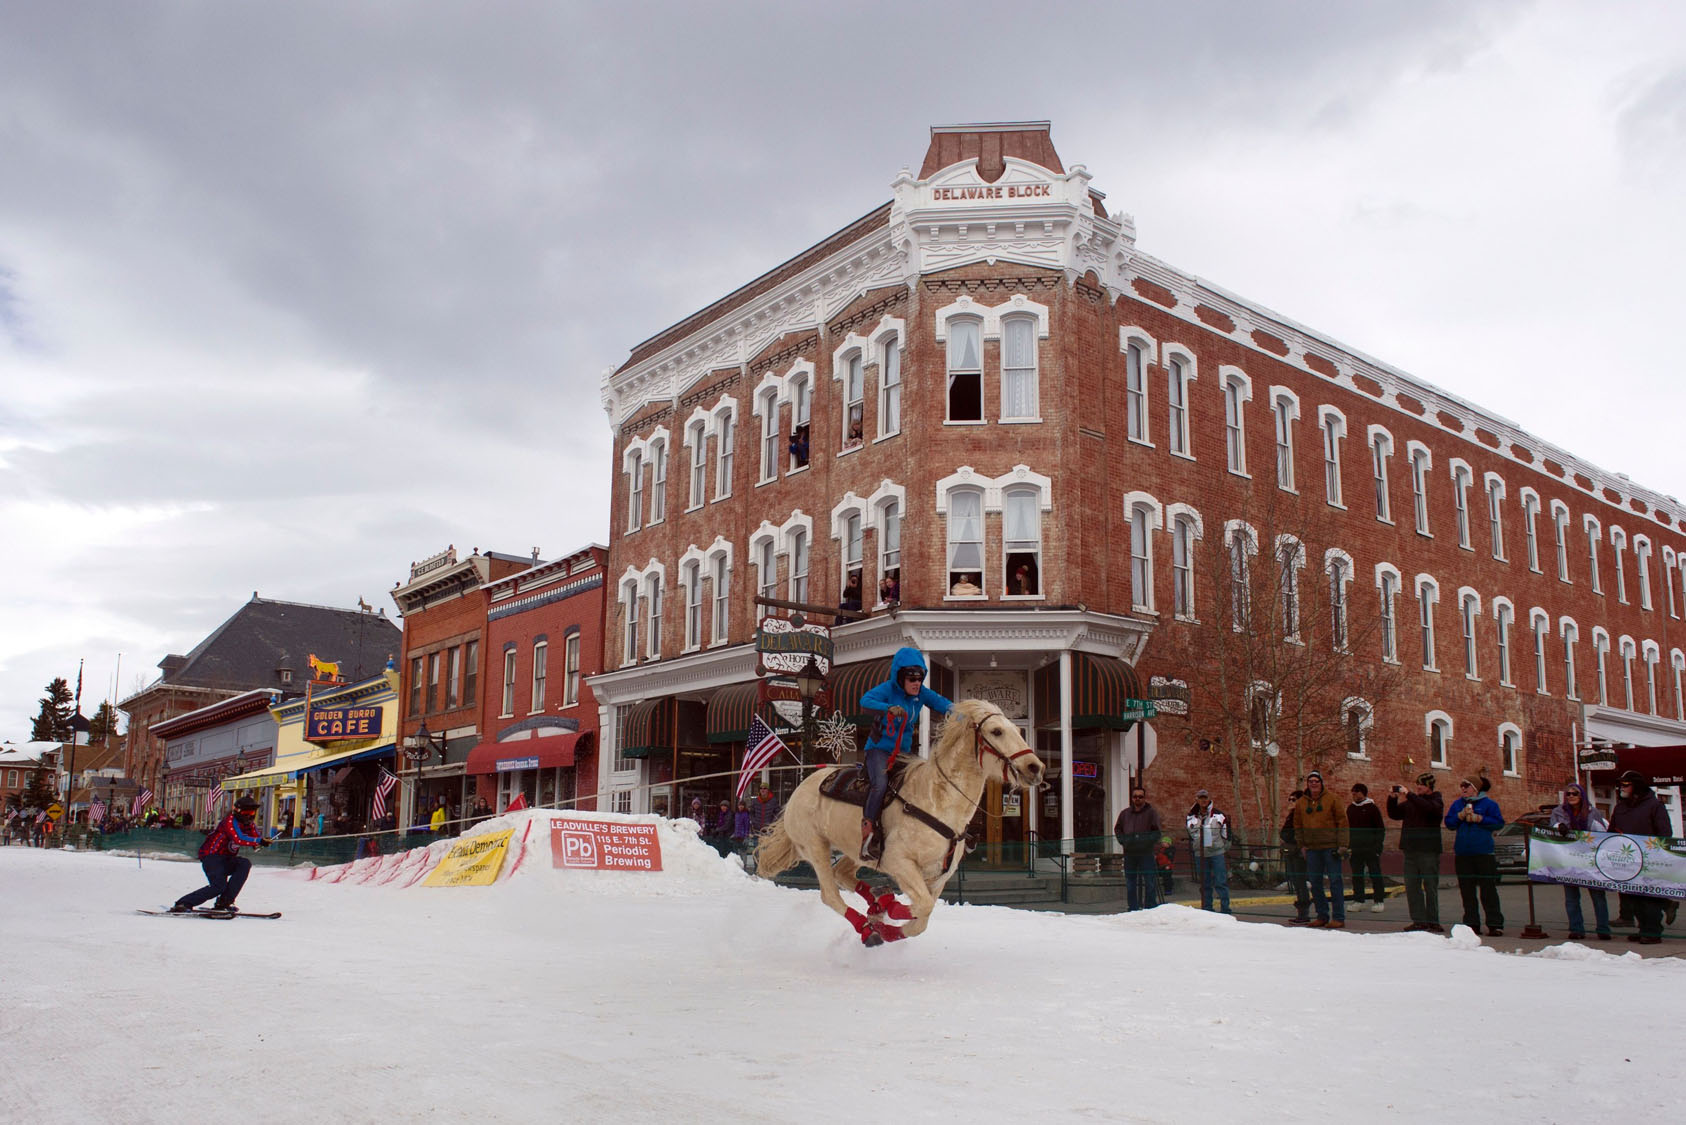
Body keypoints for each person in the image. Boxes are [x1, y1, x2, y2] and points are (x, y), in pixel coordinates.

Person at [857, 646, 953, 862]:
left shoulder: (921, 695)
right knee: (879, 785)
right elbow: (865, 701)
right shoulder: (888, 689)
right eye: (911, 678)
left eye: (919, 678)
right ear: (900, 678)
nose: (916, 683)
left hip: (904, 753)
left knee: (924, 782)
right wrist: (887, 708)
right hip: (879, 750)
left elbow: (941, 703)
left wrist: (962, 713)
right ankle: (868, 834)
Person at [170, 796, 269, 913]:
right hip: (212, 857)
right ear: (238, 811)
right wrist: (258, 841)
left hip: (227, 859)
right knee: (218, 886)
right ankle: (183, 903)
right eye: (246, 812)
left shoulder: (250, 825)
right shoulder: (230, 821)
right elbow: (239, 839)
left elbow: (255, 839)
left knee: (244, 864)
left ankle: (225, 901)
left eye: (251, 812)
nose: (249, 815)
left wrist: (262, 842)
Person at [1607, 770, 1672, 944]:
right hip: (1627, 859)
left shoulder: (1654, 805)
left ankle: (1652, 932)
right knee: (1633, 898)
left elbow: (1665, 833)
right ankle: (1644, 927)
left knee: (1649, 898)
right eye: (1620, 785)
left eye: (1626, 785)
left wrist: (1655, 851)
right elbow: (1611, 831)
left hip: (1649, 859)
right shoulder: (1620, 807)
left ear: (1636, 786)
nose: (1622, 788)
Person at [1444, 771, 1505, 936]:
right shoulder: (1458, 804)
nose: (1463, 789)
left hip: (1484, 852)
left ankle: (1494, 923)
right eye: (1461, 786)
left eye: (1467, 786)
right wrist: (1459, 816)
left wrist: (1480, 819)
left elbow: (1499, 823)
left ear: (1475, 788)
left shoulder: (1489, 804)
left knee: (1488, 889)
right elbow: (1449, 822)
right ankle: (1471, 923)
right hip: (1463, 852)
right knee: (1467, 890)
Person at [1550, 782, 1611, 941]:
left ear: (1581, 795)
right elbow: (1551, 830)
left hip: (1590, 859)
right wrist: (1559, 827)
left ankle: (1603, 929)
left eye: (1574, 793)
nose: (1571, 796)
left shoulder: (1593, 812)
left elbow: (1603, 834)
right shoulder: (1558, 812)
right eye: (1568, 794)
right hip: (1569, 859)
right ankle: (1576, 928)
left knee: (1598, 896)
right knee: (1571, 897)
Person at [1387, 772, 1445, 933]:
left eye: (1422, 785)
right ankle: (1418, 920)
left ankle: (1433, 920)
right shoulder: (1411, 803)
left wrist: (1409, 794)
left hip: (1428, 851)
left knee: (1430, 886)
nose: (1419, 787)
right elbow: (1394, 814)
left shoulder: (1436, 800)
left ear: (1429, 787)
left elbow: (1429, 810)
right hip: (1410, 850)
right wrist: (1392, 798)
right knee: (1412, 887)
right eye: (1417, 784)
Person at [1291, 770, 1348, 928]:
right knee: (1315, 883)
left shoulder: (1333, 799)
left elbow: (1342, 822)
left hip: (1330, 847)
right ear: (1307, 784)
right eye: (1311, 781)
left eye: (1316, 781)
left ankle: (1338, 917)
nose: (1314, 784)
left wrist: (1343, 844)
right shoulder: (1301, 803)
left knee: (1335, 882)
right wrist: (1302, 844)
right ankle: (1321, 915)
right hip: (1312, 849)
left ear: (1321, 783)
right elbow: (1297, 825)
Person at [1114, 786, 1162, 911]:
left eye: (1140, 797)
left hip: (1146, 853)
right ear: (1132, 798)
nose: (1138, 799)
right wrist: (1124, 841)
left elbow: (1156, 832)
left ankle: (1150, 907)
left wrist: (1147, 842)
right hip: (1130, 853)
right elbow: (1118, 828)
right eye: (1135, 796)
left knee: (1149, 881)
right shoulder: (1125, 814)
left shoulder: (1151, 813)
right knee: (1130, 882)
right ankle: (1133, 907)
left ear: (1144, 798)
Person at [1186, 788, 1231, 914]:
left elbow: (1226, 834)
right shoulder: (1191, 816)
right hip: (1200, 854)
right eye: (1201, 798)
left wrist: (1222, 847)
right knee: (1205, 884)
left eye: (1205, 798)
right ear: (1197, 800)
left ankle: (1225, 909)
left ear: (1209, 799)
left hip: (1217, 853)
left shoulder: (1219, 815)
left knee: (1221, 882)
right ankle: (1207, 910)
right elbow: (1191, 834)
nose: (1203, 800)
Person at [1346, 783, 1387, 913]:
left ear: (1363, 793)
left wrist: (1377, 846)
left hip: (1371, 848)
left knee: (1375, 874)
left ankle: (1379, 901)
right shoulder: (1350, 809)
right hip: (1356, 848)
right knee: (1357, 875)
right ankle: (1358, 900)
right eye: (1353, 793)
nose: (1354, 795)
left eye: (1357, 792)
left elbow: (1380, 829)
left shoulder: (1372, 808)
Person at [1279, 790, 1312, 924]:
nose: (1290, 802)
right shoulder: (1292, 815)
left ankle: (1304, 912)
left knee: (1299, 881)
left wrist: (1289, 838)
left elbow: (1295, 833)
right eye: (1290, 799)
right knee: (1295, 880)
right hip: (1291, 851)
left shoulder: (1301, 816)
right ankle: (1302, 912)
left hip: (1297, 851)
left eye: (1293, 799)